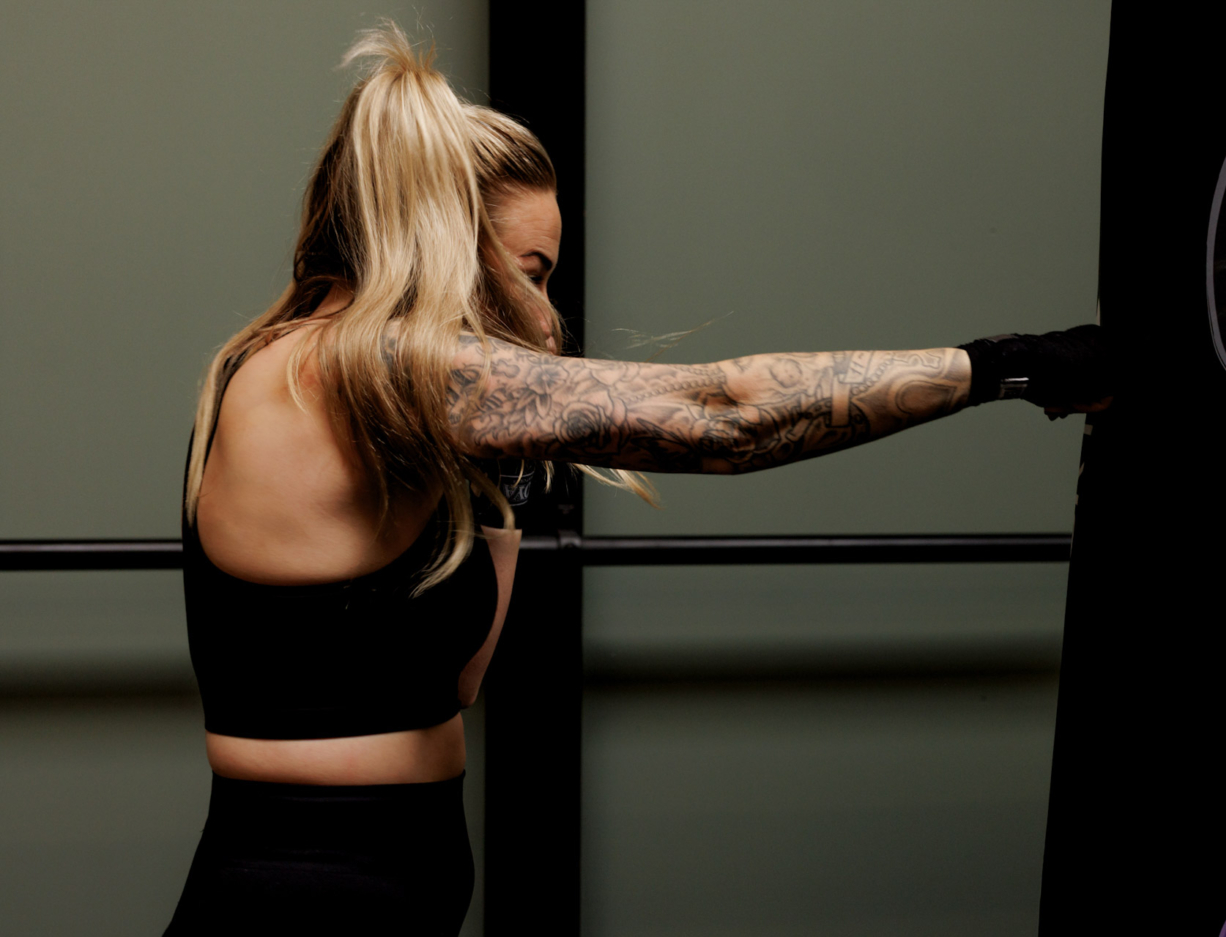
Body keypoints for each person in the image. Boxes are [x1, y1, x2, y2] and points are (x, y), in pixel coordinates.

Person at [163, 23, 1114, 937]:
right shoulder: (349, 369)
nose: (546, 318)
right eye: (532, 272)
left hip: (379, 889)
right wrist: (1008, 366)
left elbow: (459, 680)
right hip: (298, 895)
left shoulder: (351, 384)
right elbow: (730, 414)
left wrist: (504, 484)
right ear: (447, 241)